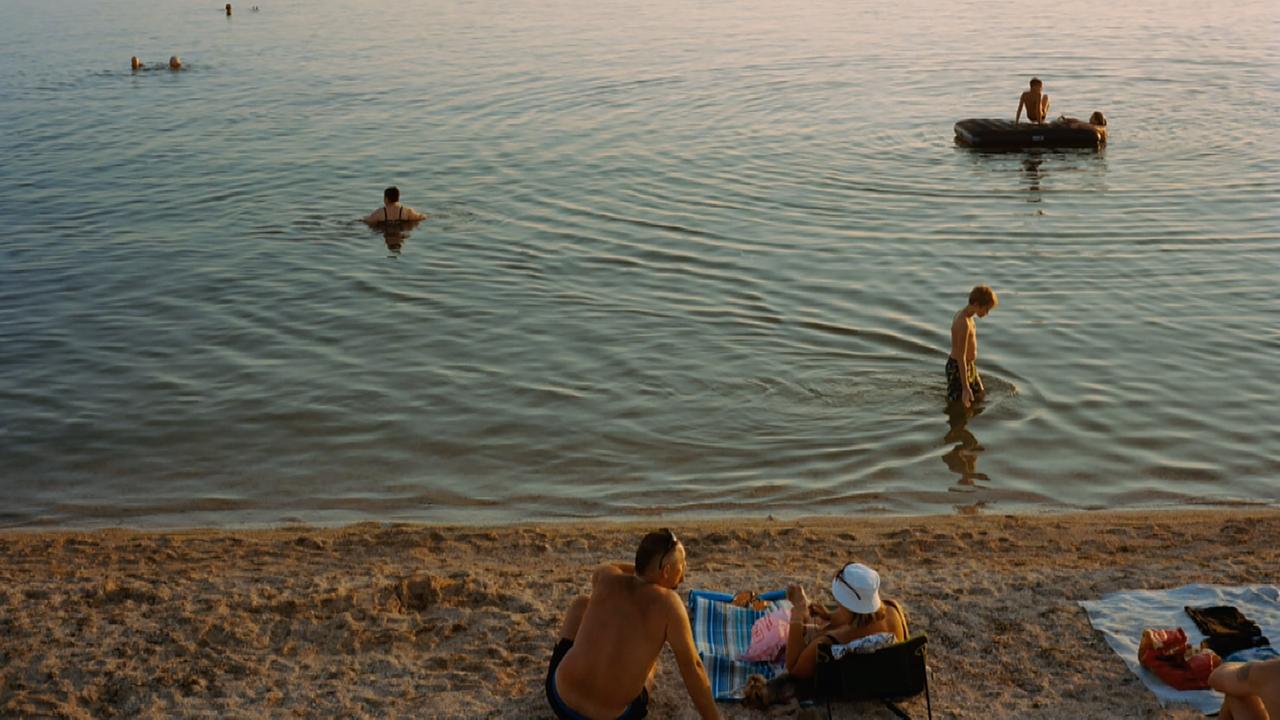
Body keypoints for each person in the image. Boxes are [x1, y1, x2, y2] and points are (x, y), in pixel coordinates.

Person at [547, 529, 721, 720]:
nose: (683, 577)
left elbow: (611, 566)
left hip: (561, 702)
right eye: (681, 568)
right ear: (666, 571)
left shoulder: (606, 577)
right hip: (616, 717)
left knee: (581, 604)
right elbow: (693, 666)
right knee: (651, 665)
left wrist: (644, 571)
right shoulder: (669, 604)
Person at [742, 562, 908, 707]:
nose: (837, 604)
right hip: (885, 679)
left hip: (848, 685)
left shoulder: (829, 642)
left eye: (839, 603)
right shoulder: (894, 610)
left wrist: (798, 611)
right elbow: (858, 619)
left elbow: (793, 668)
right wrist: (830, 616)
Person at [948, 284, 997, 408]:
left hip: (969, 365)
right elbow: (961, 357)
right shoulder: (963, 322)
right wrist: (965, 387)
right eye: (986, 309)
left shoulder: (970, 318)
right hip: (958, 367)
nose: (987, 313)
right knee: (960, 404)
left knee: (980, 395)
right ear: (976, 304)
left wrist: (973, 371)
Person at [1210, 658, 1280, 720]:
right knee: (1242, 689)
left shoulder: (1272, 670)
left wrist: (1255, 669)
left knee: (1237, 693)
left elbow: (1215, 678)